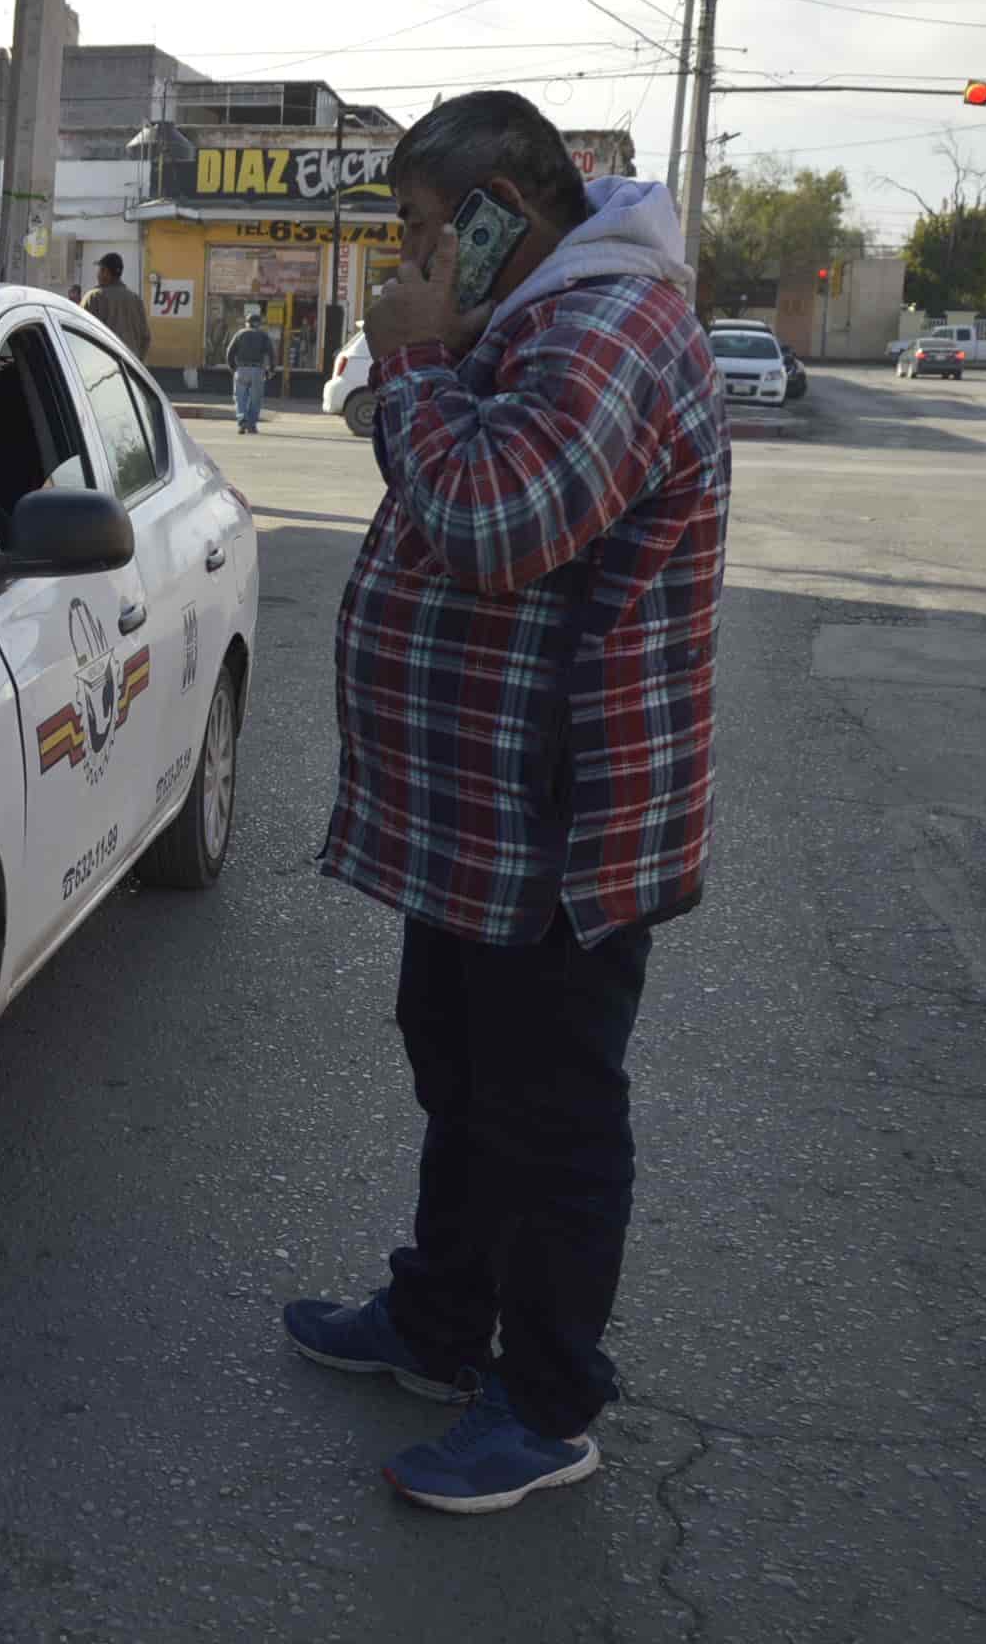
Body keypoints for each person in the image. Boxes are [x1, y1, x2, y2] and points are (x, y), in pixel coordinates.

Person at [283, 90, 727, 1515]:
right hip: (484, 815)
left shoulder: (608, 334)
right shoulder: (533, 318)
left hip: (563, 824)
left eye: (422, 230)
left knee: (549, 1115)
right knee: (462, 1076)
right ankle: (435, 1324)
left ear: (503, 216)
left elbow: (486, 526)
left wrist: (413, 365)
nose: (405, 260)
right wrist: (427, 359)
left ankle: (543, 1405)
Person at [78, 253, 151, 361]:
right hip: (130, 368)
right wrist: (137, 363)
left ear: (105, 272)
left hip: (100, 368)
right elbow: (146, 337)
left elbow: (80, 332)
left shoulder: (94, 297)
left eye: (100, 270)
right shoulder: (136, 300)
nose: (98, 274)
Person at [225, 306, 278, 433]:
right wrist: (271, 369)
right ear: (259, 324)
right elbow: (271, 353)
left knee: (239, 397)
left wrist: (233, 368)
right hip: (257, 370)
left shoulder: (239, 334)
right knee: (255, 399)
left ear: (247, 323)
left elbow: (229, 352)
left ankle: (242, 419)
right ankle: (251, 425)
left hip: (241, 369)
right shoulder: (263, 336)